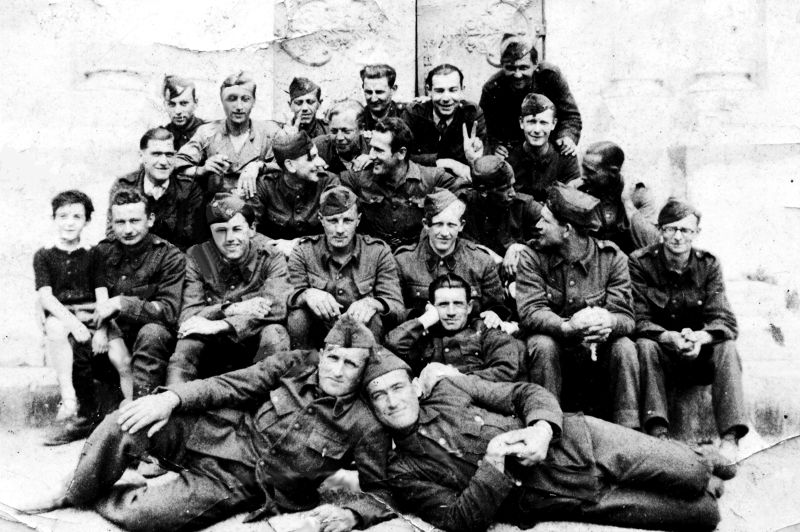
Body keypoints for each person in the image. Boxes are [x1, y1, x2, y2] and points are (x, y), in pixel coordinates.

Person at [19, 317, 394, 532]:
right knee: (127, 420)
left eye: (351, 364)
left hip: (240, 482)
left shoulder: (365, 423)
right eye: (334, 358)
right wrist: (169, 399)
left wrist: (350, 514)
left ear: (364, 370)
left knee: (143, 518)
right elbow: (231, 384)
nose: (338, 370)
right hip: (217, 433)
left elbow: (382, 493)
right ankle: (74, 490)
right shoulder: (297, 363)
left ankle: (109, 486)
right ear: (324, 353)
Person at [363, 349, 726, 532]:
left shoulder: (450, 388)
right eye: (379, 396)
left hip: (581, 440)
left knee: (694, 473)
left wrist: (541, 430)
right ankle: (681, 466)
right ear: (373, 407)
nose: (392, 401)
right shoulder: (403, 471)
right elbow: (460, 521)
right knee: (705, 514)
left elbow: (524, 393)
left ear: (414, 387)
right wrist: (492, 466)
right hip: (562, 495)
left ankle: (695, 457)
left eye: (397, 387)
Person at [46, 190, 186, 445]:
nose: (128, 229)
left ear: (150, 219)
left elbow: (169, 310)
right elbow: (84, 299)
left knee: (152, 334)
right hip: (111, 335)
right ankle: (87, 416)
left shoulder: (169, 256)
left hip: (150, 340)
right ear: (112, 222)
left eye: (135, 221)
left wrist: (122, 303)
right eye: (120, 222)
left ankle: (142, 429)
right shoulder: (102, 253)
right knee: (75, 331)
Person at [630, 199, 748, 469]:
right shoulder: (640, 263)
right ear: (660, 230)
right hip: (662, 355)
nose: (678, 237)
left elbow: (725, 319)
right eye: (671, 229)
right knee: (644, 345)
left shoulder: (708, 265)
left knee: (726, 347)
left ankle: (730, 439)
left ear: (696, 233)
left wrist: (700, 338)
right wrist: (668, 338)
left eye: (686, 231)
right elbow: (638, 318)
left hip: (698, 355)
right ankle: (658, 433)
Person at [515, 183, 639, 428]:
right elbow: (530, 311)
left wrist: (609, 322)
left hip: (597, 355)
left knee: (624, 347)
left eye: (546, 221)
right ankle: (546, 426)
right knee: (541, 344)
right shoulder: (532, 256)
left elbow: (626, 317)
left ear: (567, 230)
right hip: (557, 353)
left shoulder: (612, 258)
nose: (538, 226)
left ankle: (629, 430)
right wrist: (566, 327)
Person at [165, 193, 292, 385]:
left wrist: (220, 324)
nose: (230, 238)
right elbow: (188, 317)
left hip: (252, 339)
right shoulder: (198, 256)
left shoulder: (270, 256)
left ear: (252, 229)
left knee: (275, 332)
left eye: (237, 229)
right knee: (188, 337)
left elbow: (276, 308)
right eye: (221, 231)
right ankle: (171, 400)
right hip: (212, 345)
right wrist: (233, 309)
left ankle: (269, 405)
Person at [35, 191, 131, 421]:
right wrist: (75, 325)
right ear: (54, 218)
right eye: (63, 216)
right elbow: (47, 297)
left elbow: (102, 296)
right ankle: (69, 398)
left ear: (87, 221)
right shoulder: (44, 255)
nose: (69, 222)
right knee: (56, 329)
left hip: (93, 312)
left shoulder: (93, 253)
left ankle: (132, 406)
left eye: (77, 217)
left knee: (122, 358)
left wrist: (100, 330)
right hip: (63, 313)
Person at [287, 185, 404, 348]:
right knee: (298, 317)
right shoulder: (304, 251)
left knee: (374, 317)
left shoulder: (377, 252)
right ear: (321, 219)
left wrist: (373, 303)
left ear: (358, 220)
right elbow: (286, 297)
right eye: (333, 221)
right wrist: (306, 294)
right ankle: (302, 367)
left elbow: (398, 309)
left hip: (362, 337)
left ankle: (368, 369)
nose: (340, 229)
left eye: (347, 220)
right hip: (318, 338)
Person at [340, 117, 465, 250]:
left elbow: (464, 202)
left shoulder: (434, 179)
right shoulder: (357, 179)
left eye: (378, 150)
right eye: (371, 148)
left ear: (401, 153)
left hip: (417, 260)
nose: (371, 155)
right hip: (374, 256)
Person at [393, 189, 509, 326]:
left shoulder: (481, 261)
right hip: (421, 337)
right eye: (438, 224)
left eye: (451, 225)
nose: (445, 233)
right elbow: (396, 312)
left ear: (461, 226)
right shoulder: (403, 262)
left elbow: (498, 308)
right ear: (425, 224)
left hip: (467, 340)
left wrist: (493, 314)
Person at [385, 273, 523, 382]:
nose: (451, 312)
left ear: (469, 307)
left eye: (458, 304)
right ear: (431, 306)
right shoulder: (423, 334)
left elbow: (506, 370)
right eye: (443, 304)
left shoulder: (484, 330)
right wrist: (426, 319)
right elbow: (391, 347)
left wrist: (454, 379)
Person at [175, 71, 284, 202]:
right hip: (217, 213)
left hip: (258, 211)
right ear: (222, 101)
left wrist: (259, 166)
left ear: (253, 101)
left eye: (245, 99)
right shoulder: (207, 133)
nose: (239, 106)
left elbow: (291, 165)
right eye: (232, 99)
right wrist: (202, 170)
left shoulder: (269, 133)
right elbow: (177, 165)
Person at [480, 34, 581, 157]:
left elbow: (571, 116)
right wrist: (494, 146)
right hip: (511, 151)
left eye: (523, 68)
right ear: (502, 66)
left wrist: (567, 136)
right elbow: (484, 127)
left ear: (535, 64)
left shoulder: (550, 76)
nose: (517, 75)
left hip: (549, 146)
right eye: (511, 68)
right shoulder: (492, 88)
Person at [107, 127, 205, 251]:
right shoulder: (125, 186)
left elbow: (191, 239)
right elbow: (113, 234)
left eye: (169, 155)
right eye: (156, 154)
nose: (163, 162)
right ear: (141, 156)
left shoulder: (189, 189)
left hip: (174, 262)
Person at [253, 131, 339, 257]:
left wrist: (299, 244)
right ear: (290, 165)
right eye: (312, 157)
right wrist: (274, 246)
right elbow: (247, 229)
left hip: (317, 258)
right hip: (274, 258)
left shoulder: (328, 182)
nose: (321, 162)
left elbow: (338, 229)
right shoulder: (265, 186)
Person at [460, 154, 542, 279]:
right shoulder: (463, 207)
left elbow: (554, 240)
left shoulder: (525, 206)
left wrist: (520, 248)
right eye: (504, 189)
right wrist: (486, 255)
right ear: (483, 191)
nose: (513, 193)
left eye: (512, 185)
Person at [570, 140, 659, 255]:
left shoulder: (639, 193)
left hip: (630, 265)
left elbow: (652, 245)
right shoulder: (576, 189)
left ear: (613, 172)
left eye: (590, 172)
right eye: (583, 168)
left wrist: (627, 202)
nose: (583, 176)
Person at [400, 63, 487, 180]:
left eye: (453, 90)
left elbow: (483, 161)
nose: (446, 98)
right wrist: (445, 162)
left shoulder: (471, 114)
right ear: (428, 91)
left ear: (462, 90)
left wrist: (473, 161)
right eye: (439, 91)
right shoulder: (413, 114)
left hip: (460, 184)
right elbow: (399, 156)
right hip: (421, 182)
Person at [504, 93, 580, 202]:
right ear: (521, 123)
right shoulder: (509, 158)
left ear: (553, 124)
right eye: (531, 122)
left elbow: (572, 200)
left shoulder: (565, 157)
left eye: (543, 123)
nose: (537, 130)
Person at [313, 99, 372, 174]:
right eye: (334, 131)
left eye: (346, 131)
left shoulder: (374, 147)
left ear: (361, 128)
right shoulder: (318, 146)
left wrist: (373, 159)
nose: (339, 137)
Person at [160, 75, 207, 150]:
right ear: (165, 105)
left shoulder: (210, 132)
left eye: (184, 103)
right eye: (172, 104)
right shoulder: (159, 137)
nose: (178, 111)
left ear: (195, 103)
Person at [359, 64, 406, 132]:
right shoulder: (358, 119)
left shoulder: (408, 117)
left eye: (379, 92)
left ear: (393, 89)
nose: (373, 99)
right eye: (369, 92)